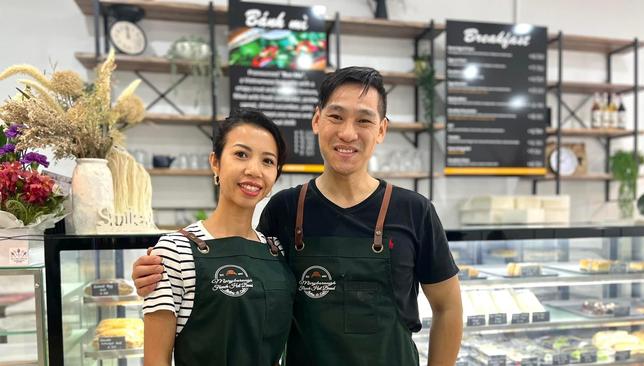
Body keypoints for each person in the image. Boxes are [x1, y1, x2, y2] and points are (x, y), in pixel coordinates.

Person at [135, 67, 463, 366]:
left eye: (364, 120)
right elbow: (248, 282)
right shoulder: (285, 209)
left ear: (381, 130)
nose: (348, 133)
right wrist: (163, 268)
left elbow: (448, 307)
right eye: (336, 116)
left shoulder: (414, 210)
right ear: (317, 120)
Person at [142, 108, 295, 366]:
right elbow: (156, 360)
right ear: (215, 161)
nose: (254, 170)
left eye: (267, 161)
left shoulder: (276, 249)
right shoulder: (174, 250)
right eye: (241, 154)